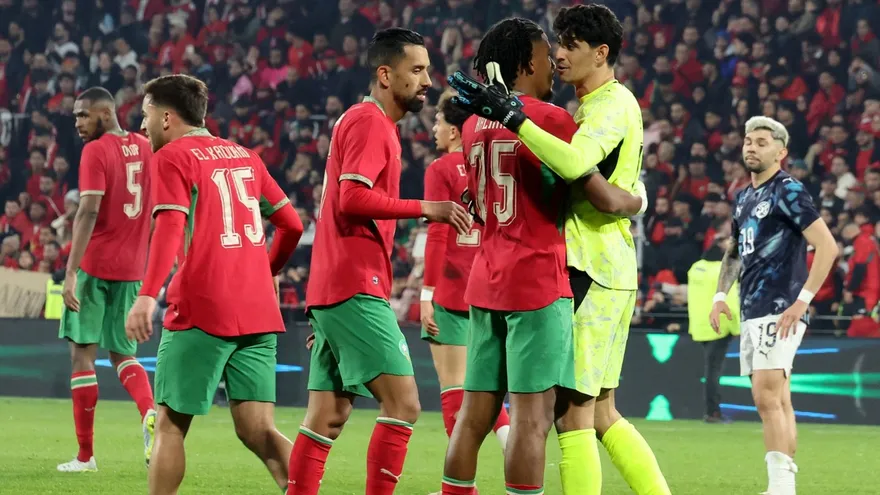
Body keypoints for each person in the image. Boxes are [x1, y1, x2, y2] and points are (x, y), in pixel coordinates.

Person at [449, 5, 669, 495]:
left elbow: (576, 167)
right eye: (557, 46)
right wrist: (635, 196)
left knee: (573, 415)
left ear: (601, 52)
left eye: (570, 45)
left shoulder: (607, 107)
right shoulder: (584, 109)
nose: (561, 55)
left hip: (587, 264)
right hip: (603, 262)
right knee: (602, 411)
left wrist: (514, 117)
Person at [286, 28, 471, 495]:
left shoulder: (365, 121)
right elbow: (352, 199)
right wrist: (426, 207)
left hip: (335, 285)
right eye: (417, 70)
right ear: (385, 74)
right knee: (404, 404)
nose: (428, 80)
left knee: (327, 417)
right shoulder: (371, 124)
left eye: (428, 69)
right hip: (353, 282)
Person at [124, 74, 304, 495]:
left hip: (203, 305)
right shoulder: (246, 155)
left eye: (146, 115)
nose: (143, 125)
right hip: (259, 309)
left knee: (169, 425)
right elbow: (291, 224)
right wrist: (266, 270)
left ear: (167, 117)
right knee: (258, 430)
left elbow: (170, 225)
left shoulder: (171, 157)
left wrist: (147, 294)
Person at [710, 116, 839, 495]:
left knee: (766, 396)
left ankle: (781, 487)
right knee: (778, 399)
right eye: (748, 140)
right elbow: (734, 252)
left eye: (762, 142)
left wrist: (801, 302)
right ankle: (785, 483)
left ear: (781, 152)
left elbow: (828, 247)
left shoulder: (788, 190)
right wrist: (720, 297)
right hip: (752, 306)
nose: (751, 146)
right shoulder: (744, 196)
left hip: (780, 304)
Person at [57, 86, 156, 473]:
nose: (78, 123)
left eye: (83, 115)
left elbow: (88, 210)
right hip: (133, 269)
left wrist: (69, 272)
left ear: (105, 112)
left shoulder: (95, 151)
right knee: (124, 354)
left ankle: (86, 457)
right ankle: (150, 413)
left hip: (94, 266)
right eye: (76, 116)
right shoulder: (146, 147)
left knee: (82, 355)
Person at [420, 93, 511, 457]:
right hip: (490, 287)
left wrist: (426, 294)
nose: (434, 129)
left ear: (456, 131)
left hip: (453, 290)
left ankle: (458, 485)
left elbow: (439, 234)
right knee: (486, 391)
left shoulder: (440, 169)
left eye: (439, 122)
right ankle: (515, 463)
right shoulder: (487, 164)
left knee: (454, 390)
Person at [686, 238, 740, 423]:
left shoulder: (695, 268)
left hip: (700, 326)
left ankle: (711, 410)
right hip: (720, 326)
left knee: (710, 369)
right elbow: (731, 302)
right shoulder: (722, 271)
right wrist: (737, 327)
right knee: (713, 371)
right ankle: (713, 412)